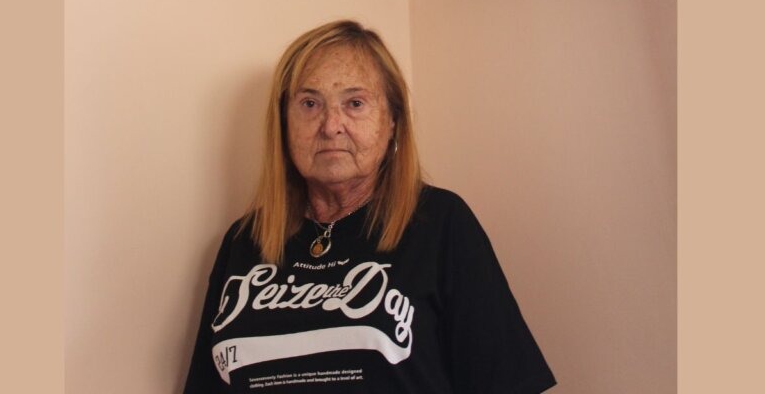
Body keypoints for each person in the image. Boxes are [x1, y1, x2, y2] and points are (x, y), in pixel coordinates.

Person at [183, 20, 556, 393]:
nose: (331, 126)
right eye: (309, 104)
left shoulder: (441, 224)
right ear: (284, 122)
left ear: (392, 121)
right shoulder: (244, 242)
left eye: (355, 103)